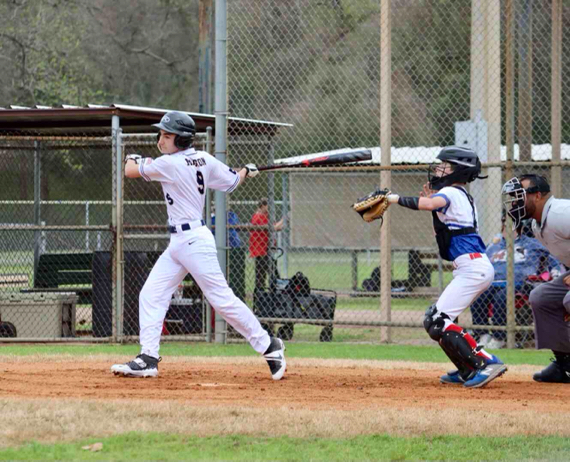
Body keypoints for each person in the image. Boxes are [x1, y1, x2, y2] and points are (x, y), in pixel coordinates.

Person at [110, 111, 286, 380]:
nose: (161, 140)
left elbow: (130, 170)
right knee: (151, 295)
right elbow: (232, 182)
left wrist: (132, 156)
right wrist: (244, 171)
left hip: (193, 241)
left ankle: (269, 345)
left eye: (167, 136)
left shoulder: (169, 164)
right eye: (161, 134)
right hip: (180, 243)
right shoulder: (204, 159)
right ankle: (148, 358)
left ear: (181, 139)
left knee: (221, 300)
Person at [384, 146, 507, 388]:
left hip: (473, 268)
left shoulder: (451, 192)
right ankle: (467, 369)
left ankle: (486, 362)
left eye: (444, 166)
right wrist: (433, 204)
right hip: (471, 267)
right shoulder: (458, 195)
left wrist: (393, 198)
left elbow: (429, 204)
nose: (438, 169)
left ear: (457, 170)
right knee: (434, 320)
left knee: (438, 319)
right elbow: (440, 219)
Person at [503, 173, 570, 383]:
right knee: (541, 297)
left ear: (538, 195)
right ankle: (565, 364)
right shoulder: (536, 224)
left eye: (520, 196)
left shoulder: (560, 213)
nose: (515, 203)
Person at [470, 216, 561, 349]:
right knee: (478, 297)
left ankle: (499, 337)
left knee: (501, 298)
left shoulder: (531, 244)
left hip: (518, 283)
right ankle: (482, 334)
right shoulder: (494, 245)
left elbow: (551, 256)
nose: (507, 231)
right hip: (493, 282)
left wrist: (556, 271)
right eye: (505, 228)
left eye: (511, 228)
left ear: (520, 230)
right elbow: (481, 260)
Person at [249, 199, 284, 290]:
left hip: (265, 249)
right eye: (268, 206)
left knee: (267, 272)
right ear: (263, 206)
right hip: (261, 249)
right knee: (266, 273)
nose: (270, 209)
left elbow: (276, 226)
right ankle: (266, 291)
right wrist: (284, 219)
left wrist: (282, 222)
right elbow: (274, 227)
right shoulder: (258, 216)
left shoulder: (265, 216)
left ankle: (269, 289)